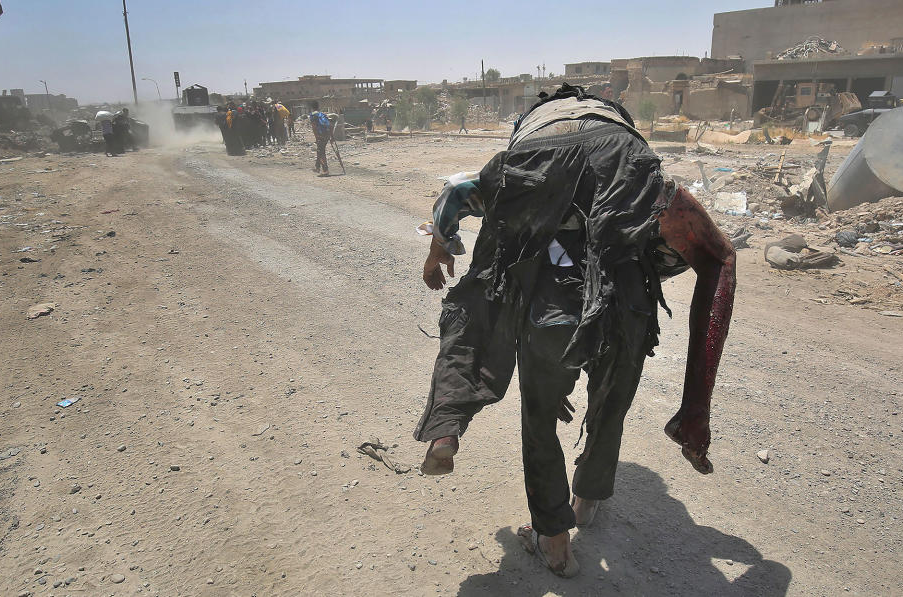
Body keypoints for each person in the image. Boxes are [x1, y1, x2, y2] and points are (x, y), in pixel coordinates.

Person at [413, 84, 736, 578]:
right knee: (610, 409)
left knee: (539, 415)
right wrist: (696, 409)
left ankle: (553, 539)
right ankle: (585, 505)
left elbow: (457, 194)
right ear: (616, 120)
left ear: (538, 120)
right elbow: (719, 258)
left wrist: (438, 251)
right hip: (625, 307)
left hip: (547, 313)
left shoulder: (527, 157)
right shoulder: (637, 167)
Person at [309, 106, 334, 176]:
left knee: (321, 152)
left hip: (320, 137)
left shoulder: (313, 117)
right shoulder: (323, 116)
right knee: (320, 151)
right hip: (327, 136)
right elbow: (330, 126)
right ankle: (317, 167)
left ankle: (325, 170)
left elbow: (314, 128)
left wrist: (317, 138)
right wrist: (331, 137)